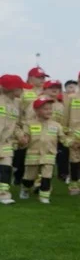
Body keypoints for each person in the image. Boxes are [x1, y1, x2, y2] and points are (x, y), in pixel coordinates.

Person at [18, 97, 60, 205]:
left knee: (47, 176)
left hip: (49, 155)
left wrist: (71, 143)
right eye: (45, 109)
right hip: (33, 155)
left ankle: (44, 196)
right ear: (36, 111)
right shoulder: (29, 124)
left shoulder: (56, 125)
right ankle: (25, 188)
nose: (49, 111)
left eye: (50, 109)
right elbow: (25, 138)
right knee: (29, 178)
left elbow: (63, 138)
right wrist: (23, 141)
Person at [0, 74, 32, 205]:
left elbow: (16, 124)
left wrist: (21, 136)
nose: (23, 91)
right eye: (20, 88)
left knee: (6, 167)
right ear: (11, 89)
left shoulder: (17, 103)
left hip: (6, 142)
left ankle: (3, 194)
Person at [13, 66, 47, 187]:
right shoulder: (24, 92)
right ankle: (19, 175)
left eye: (43, 77)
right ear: (30, 78)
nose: (42, 79)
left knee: (40, 154)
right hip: (25, 126)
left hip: (42, 128)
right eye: (39, 77)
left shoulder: (46, 92)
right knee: (22, 154)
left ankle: (38, 182)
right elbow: (17, 109)